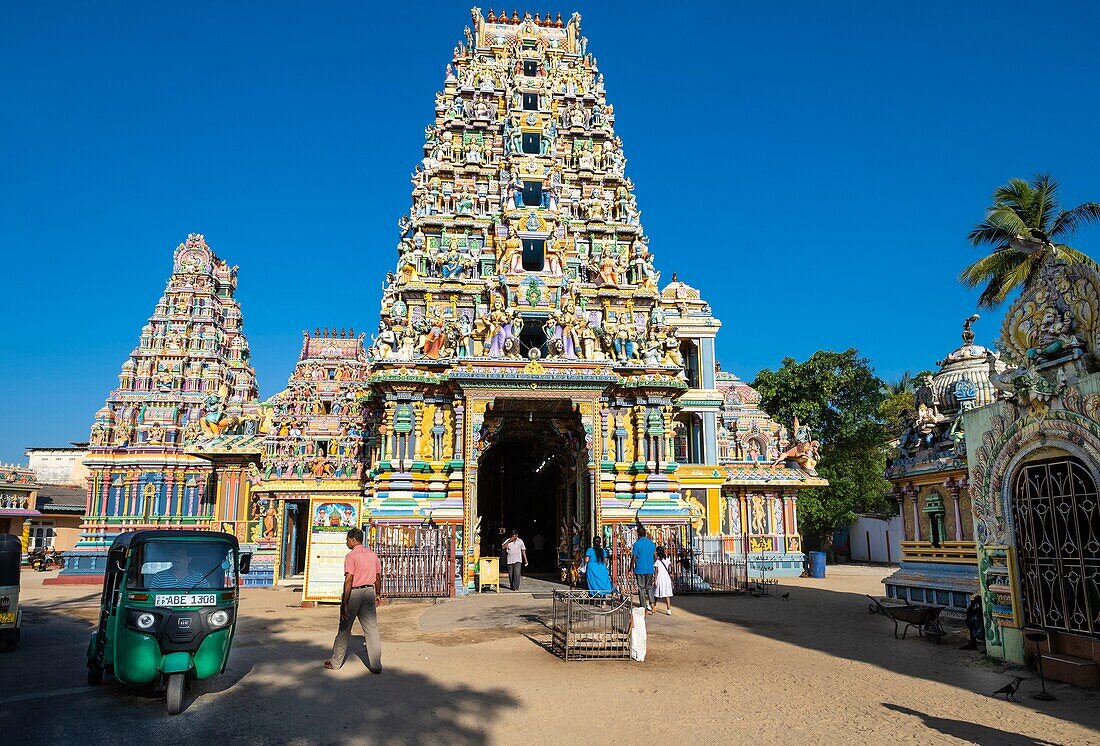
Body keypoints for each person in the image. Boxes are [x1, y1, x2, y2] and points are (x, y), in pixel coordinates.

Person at [325, 528, 384, 674]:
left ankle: (336, 662)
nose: (346, 542)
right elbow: (377, 577)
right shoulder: (372, 555)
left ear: (352, 540)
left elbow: (349, 579)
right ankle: (376, 665)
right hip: (369, 592)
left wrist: (344, 602)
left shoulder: (351, 556)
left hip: (355, 594)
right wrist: (377, 594)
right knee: (371, 629)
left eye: (347, 540)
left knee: (344, 628)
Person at [630, 526, 657, 613]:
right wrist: (650, 562)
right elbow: (655, 556)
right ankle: (652, 604)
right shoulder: (651, 544)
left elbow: (633, 557)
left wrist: (631, 568)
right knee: (649, 587)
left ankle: (644, 607)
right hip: (649, 569)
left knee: (641, 588)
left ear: (638, 534)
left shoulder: (637, 544)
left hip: (640, 568)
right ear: (645, 533)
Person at [653, 545, 674, 615]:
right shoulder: (667, 559)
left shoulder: (657, 561)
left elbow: (656, 572)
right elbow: (671, 565)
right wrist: (671, 572)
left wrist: (655, 580)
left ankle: (654, 606)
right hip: (666, 578)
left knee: (655, 593)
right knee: (667, 594)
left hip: (660, 578)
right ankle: (668, 609)